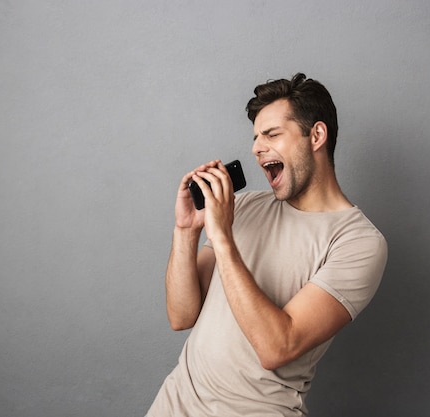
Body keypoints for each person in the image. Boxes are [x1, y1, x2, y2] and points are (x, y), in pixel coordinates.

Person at [145, 73, 387, 416]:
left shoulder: (358, 242)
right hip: (175, 404)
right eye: (256, 136)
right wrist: (186, 231)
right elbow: (181, 315)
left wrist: (223, 237)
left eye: (271, 134)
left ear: (316, 135)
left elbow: (278, 346)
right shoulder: (243, 207)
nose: (256, 147)